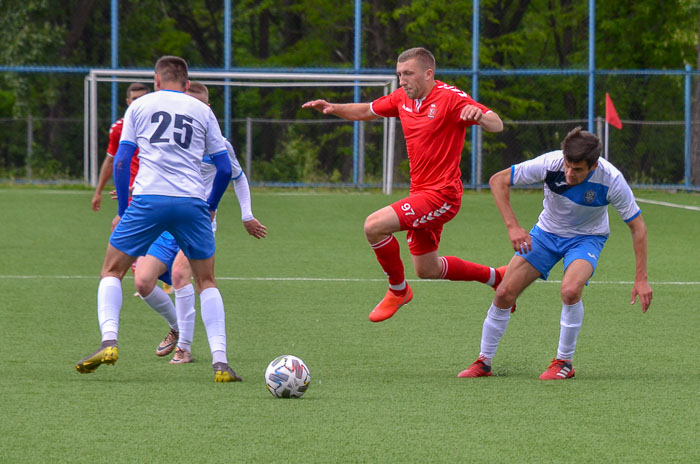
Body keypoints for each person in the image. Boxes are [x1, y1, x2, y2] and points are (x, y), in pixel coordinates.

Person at [302, 47, 507, 323]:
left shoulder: (450, 98)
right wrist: (333, 108)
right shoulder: (402, 99)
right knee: (427, 269)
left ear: (428, 73)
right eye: (399, 74)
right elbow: (365, 110)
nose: (402, 80)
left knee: (373, 226)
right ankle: (496, 276)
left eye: (408, 73)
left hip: (442, 195)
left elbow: (497, 124)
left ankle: (398, 290)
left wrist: (480, 116)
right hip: (420, 194)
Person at [76, 55, 242, 382]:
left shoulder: (139, 107)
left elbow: (122, 162)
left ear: (156, 80)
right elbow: (224, 169)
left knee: (112, 269)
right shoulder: (203, 111)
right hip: (191, 202)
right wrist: (209, 206)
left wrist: (125, 210)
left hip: (148, 199)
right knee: (206, 281)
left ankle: (109, 341)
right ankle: (220, 362)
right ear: (187, 82)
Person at [459, 126, 653, 380]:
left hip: (587, 239)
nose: (569, 173)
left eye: (578, 169)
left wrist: (641, 278)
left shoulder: (611, 180)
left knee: (571, 290)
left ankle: (564, 362)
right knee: (505, 292)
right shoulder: (550, 164)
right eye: (567, 166)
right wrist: (513, 227)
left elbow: (638, 228)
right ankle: (483, 362)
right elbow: (498, 180)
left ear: (593, 167)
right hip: (546, 235)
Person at [133, 82, 267, 365]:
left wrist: (246, 214)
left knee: (181, 275)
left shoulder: (218, 144)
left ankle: (184, 347)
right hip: (165, 222)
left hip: (197, 221)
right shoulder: (170, 140)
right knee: (143, 282)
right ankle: (178, 325)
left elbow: (237, 176)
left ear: (207, 109)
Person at [91, 82, 149, 213]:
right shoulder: (119, 129)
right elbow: (111, 161)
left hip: (154, 188)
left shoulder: (159, 127)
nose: (138, 102)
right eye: (135, 99)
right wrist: (98, 191)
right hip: (132, 191)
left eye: (142, 98)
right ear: (128, 102)